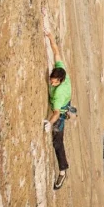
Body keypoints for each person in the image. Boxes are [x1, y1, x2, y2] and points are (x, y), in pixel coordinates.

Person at [43, 29, 72, 190]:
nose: (51, 83)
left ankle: (62, 171)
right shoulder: (61, 69)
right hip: (65, 102)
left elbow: (55, 113)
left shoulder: (59, 93)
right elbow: (56, 52)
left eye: (53, 82)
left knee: (57, 141)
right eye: (51, 80)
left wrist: (48, 123)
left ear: (60, 81)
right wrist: (50, 36)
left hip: (61, 109)